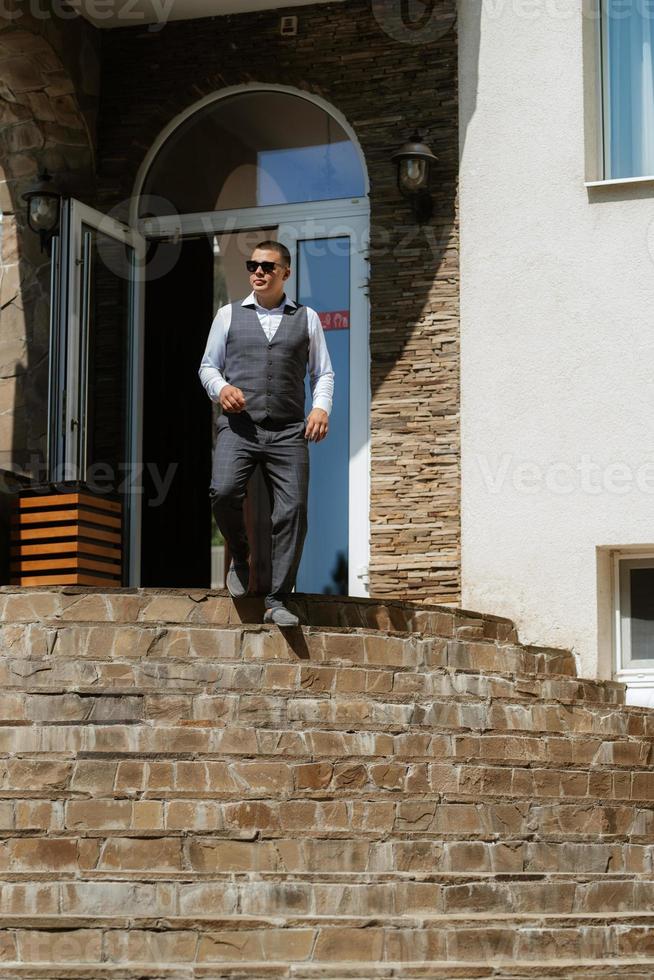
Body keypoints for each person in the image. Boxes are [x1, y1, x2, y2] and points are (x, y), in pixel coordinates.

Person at [199, 240, 334, 626]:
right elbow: (208, 367)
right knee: (223, 491)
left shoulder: (307, 318)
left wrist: (320, 407)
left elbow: (322, 372)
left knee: (293, 511)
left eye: (267, 266)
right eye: (252, 265)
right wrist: (221, 388)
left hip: (289, 431)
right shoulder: (227, 315)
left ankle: (278, 599)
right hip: (239, 428)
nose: (258, 272)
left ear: (285, 273)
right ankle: (241, 557)